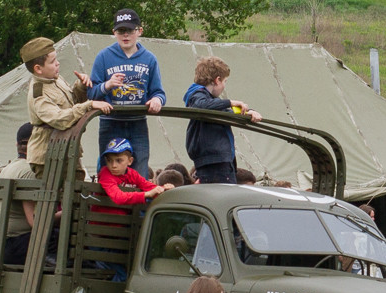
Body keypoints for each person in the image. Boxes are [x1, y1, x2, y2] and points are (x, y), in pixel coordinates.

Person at [87, 10, 165, 177]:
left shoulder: (149, 59)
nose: (126, 35)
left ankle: (137, 202)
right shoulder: (103, 57)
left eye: (130, 31)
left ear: (139, 31)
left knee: (140, 166)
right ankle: (106, 203)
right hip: (111, 122)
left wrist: (157, 100)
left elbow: (158, 92)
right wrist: (108, 85)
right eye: (121, 31)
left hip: (137, 122)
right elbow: (91, 93)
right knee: (108, 167)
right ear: (114, 32)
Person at [22, 37, 112, 177]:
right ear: (38, 69)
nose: (57, 63)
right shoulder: (38, 94)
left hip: (65, 149)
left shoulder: (55, 80)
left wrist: (81, 87)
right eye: (52, 62)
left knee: (77, 187)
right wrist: (89, 105)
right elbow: (59, 119)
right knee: (60, 196)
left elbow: (72, 102)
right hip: (48, 156)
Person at [183, 56, 262, 185]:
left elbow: (227, 113)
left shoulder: (213, 103)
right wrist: (231, 102)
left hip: (221, 160)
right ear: (217, 80)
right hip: (214, 161)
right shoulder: (197, 96)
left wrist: (248, 112)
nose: (224, 86)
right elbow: (202, 106)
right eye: (225, 81)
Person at [0, 123, 44, 267]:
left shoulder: (8, 168)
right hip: (18, 242)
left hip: (2, 240)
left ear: (17, 144)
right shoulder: (30, 171)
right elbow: (33, 222)